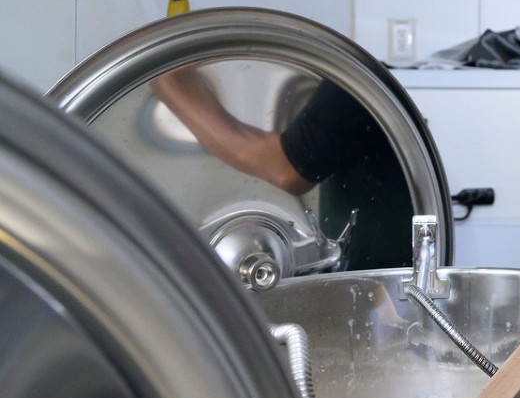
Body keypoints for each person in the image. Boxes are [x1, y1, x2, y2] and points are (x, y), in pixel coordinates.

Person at [151, 66, 414, 269]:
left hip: (379, 283)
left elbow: (285, 169)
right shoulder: (362, 79)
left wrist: (168, 82)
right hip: (369, 275)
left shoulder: (355, 85)